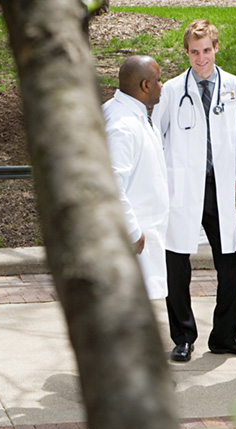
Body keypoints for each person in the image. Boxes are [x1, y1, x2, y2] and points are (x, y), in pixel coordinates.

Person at [152, 19, 236, 362]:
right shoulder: (171, 90)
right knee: (176, 260)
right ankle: (183, 336)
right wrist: (160, 182)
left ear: (216, 48)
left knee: (233, 260)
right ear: (186, 52)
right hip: (181, 186)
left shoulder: (235, 87)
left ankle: (225, 335)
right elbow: (156, 136)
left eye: (206, 50)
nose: (201, 58)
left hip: (219, 184)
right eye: (194, 52)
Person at [102, 55, 169, 300]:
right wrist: (132, 232)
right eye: (158, 80)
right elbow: (111, 185)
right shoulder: (122, 126)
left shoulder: (127, 113)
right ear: (145, 86)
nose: (162, 85)